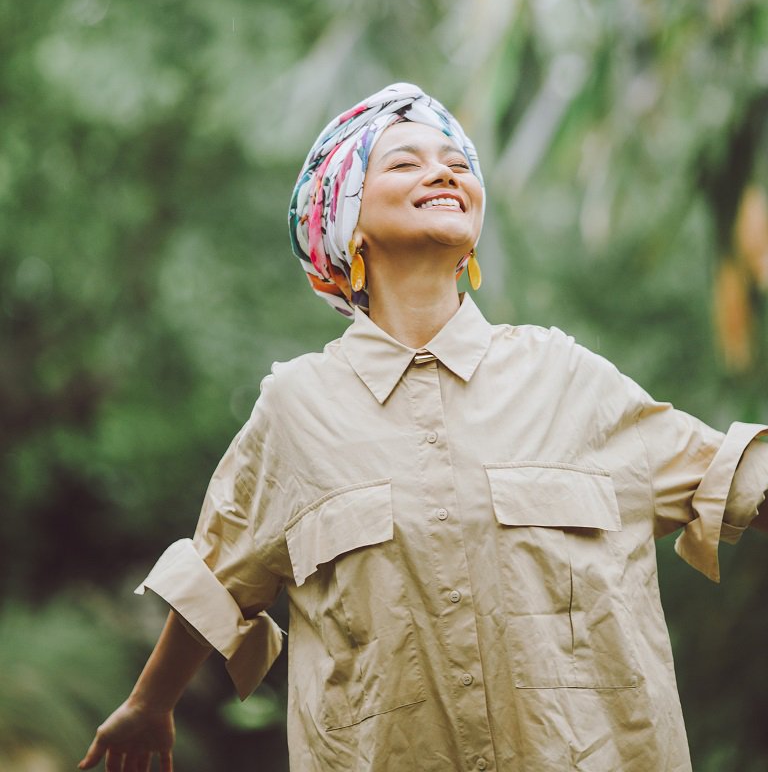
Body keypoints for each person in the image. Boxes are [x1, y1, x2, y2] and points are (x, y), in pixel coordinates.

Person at [79, 81, 768, 772]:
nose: (444, 171)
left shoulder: (566, 376)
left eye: (458, 163)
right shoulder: (297, 408)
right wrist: (150, 703)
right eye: (405, 163)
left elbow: (735, 478)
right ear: (347, 223)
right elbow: (217, 577)